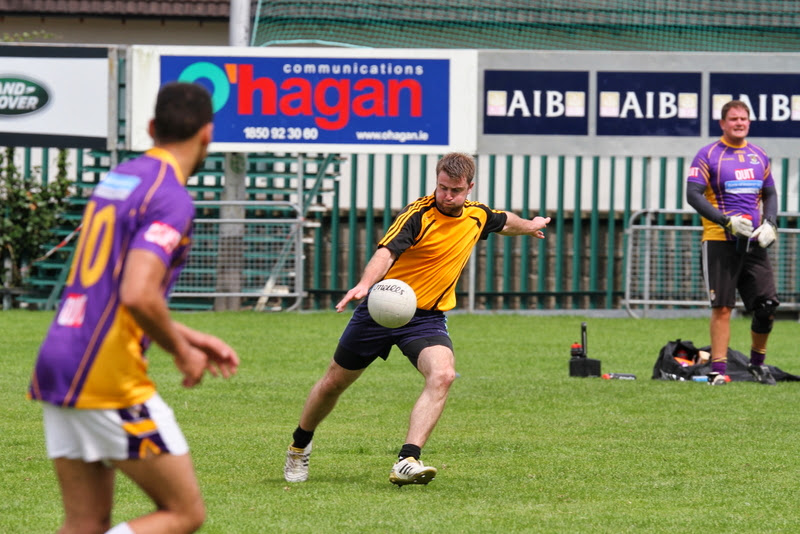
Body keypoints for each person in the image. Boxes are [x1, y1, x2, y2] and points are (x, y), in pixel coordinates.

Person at [28, 82, 240, 534]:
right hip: (105, 370)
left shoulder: (122, 177)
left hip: (60, 355)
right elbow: (138, 294)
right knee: (184, 513)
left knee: (85, 522)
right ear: (207, 134)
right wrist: (181, 352)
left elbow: (113, 288)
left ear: (150, 127)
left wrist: (187, 335)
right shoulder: (171, 196)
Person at [284, 152, 551, 485]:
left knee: (443, 375)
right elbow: (386, 252)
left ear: (469, 187)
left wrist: (530, 227)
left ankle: (407, 459)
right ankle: (299, 445)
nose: (447, 196)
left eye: (455, 190)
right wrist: (365, 285)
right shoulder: (418, 214)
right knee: (334, 383)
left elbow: (505, 220)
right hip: (381, 309)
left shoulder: (476, 215)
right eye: (442, 188)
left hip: (426, 318)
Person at [686, 99, 779, 386]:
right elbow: (693, 194)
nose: (739, 123)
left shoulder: (758, 155)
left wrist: (771, 223)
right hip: (719, 241)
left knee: (766, 305)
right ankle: (718, 369)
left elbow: (770, 194)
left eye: (744, 119)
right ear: (723, 123)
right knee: (723, 307)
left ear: (749, 123)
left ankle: (757, 364)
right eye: (734, 119)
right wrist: (725, 220)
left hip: (753, 243)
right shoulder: (708, 155)